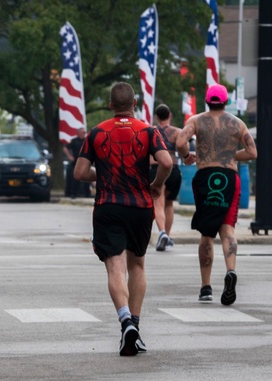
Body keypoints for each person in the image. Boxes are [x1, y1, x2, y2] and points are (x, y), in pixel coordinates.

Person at [74, 82, 171, 356]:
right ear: (135, 104)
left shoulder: (96, 132)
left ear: (110, 105)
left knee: (115, 267)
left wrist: (103, 174)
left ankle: (126, 321)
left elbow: (80, 173)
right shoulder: (148, 131)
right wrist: (156, 185)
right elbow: (166, 162)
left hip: (108, 206)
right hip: (140, 206)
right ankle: (135, 326)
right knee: (137, 265)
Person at [175, 84, 258, 306]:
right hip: (229, 177)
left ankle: (206, 287)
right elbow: (253, 152)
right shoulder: (237, 123)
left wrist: (186, 155)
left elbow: (180, 141)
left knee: (206, 233)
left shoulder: (196, 120)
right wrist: (230, 155)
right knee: (227, 229)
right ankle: (231, 271)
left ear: (207, 101)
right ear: (225, 101)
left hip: (206, 177)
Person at [150, 105, 183, 252]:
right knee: (169, 204)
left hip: (155, 168)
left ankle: (162, 232)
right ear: (169, 115)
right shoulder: (177, 132)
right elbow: (183, 148)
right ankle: (167, 236)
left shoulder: (150, 131)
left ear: (156, 117)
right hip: (173, 169)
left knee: (158, 202)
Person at [64, 127, 89, 198]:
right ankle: (73, 194)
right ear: (78, 133)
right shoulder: (74, 141)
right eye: (82, 132)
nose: (84, 133)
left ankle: (87, 194)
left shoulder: (87, 141)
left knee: (87, 177)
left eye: (84, 132)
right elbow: (65, 148)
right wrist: (70, 156)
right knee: (75, 178)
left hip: (85, 162)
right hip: (76, 162)